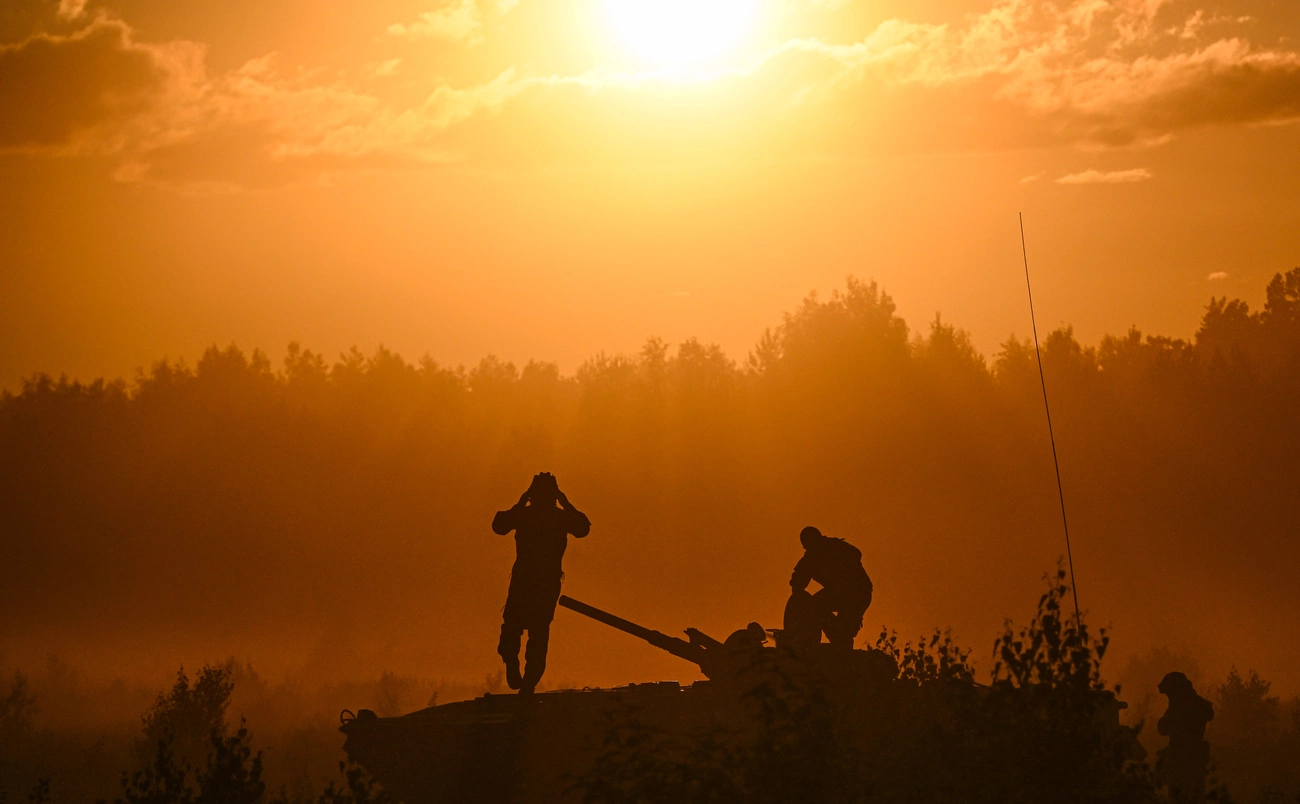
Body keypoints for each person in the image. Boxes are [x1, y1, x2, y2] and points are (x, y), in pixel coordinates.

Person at [492, 472, 590, 694]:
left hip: (535, 583)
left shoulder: (535, 516)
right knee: (530, 631)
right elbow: (499, 526)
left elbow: (582, 529)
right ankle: (521, 674)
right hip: (533, 582)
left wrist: (522, 502)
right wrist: (563, 502)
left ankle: (526, 678)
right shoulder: (550, 517)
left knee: (527, 630)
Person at [788, 526, 872, 650]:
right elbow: (798, 582)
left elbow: (798, 583)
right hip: (857, 593)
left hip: (856, 593)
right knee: (842, 631)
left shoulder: (826, 551)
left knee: (815, 608)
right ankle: (840, 640)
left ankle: (840, 639)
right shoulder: (817, 555)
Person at [1157, 671, 1215, 804]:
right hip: (1193, 760)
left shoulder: (1178, 709)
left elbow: (1163, 728)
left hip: (1181, 761)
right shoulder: (1199, 705)